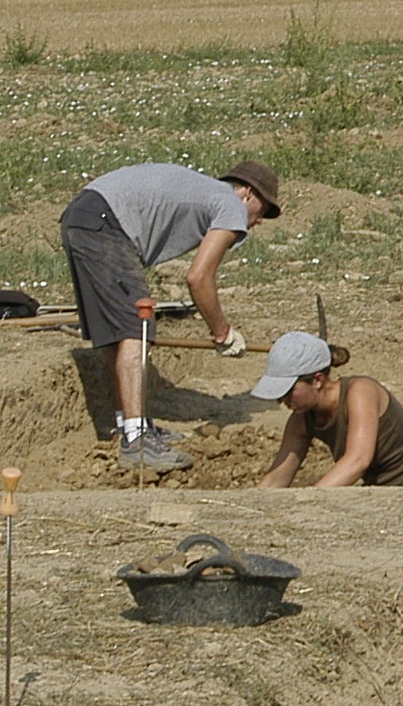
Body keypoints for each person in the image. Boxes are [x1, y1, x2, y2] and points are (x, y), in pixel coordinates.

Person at [58, 158, 279, 473]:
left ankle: (133, 427)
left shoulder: (208, 193)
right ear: (247, 193)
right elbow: (198, 278)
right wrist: (223, 331)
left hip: (86, 215)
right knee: (137, 328)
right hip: (105, 222)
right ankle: (136, 443)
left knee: (120, 333)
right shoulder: (230, 205)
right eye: (263, 210)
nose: (258, 221)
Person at [250, 333, 403, 488]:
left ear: (317, 380)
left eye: (288, 391)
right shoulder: (301, 420)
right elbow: (276, 479)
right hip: (375, 494)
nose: (281, 399)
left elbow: (358, 460)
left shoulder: (360, 392)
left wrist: (310, 499)